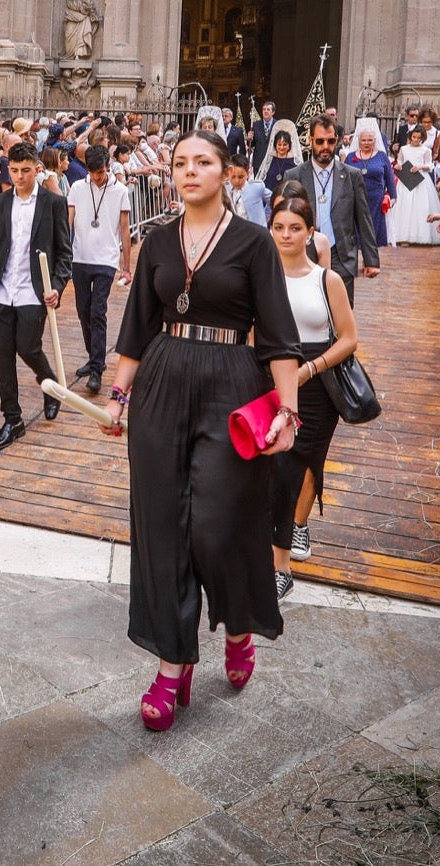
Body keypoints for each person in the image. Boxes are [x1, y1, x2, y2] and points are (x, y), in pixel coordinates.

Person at [102, 129, 302, 732]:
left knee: (217, 525)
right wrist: (118, 394)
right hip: (162, 382)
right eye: (181, 163)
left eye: (203, 162)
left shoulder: (254, 243)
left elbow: (279, 337)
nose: (190, 172)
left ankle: (237, 627)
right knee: (162, 526)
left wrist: (288, 412)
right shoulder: (157, 239)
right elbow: (138, 323)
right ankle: (172, 664)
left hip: (231, 384)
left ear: (228, 172)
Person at [267, 196, 356, 600]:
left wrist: (309, 369)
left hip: (317, 380)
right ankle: (278, 558)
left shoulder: (327, 280)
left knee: (305, 463)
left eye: (295, 228)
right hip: (269, 373)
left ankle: (295, 529)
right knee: (277, 469)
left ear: (310, 233)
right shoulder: (261, 277)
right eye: (279, 227)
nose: (286, 235)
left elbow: (350, 338)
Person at [0, 143, 72, 451]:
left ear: (37, 169)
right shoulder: (0, 202)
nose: (19, 177)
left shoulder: (54, 203)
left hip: (35, 288)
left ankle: (50, 385)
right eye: (14, 171)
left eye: (25, 171)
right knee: (3, 356)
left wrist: (57, 285)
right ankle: (12, 419)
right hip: (2, 290)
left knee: (28, 347)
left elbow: (64, 252)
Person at [290, 114, 378, 302]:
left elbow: (363, 218)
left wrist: (371, 260)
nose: (325, 147)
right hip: (305, 255)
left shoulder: (352, 176)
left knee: (341, 318)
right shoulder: (295, 176)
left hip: (341, 255)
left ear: (336, 140)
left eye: (330, 141)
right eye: (320, 141)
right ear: (310, 140)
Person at [66, 146, 132, 394]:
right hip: (80, 256)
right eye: (93, 172)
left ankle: (97, 368)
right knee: (83, 311)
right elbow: (68, 221)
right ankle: (93, 357)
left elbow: (124, 228)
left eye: (101, 172)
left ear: (108, 166)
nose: (97, 177)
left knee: (97, 311)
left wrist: (126, 265)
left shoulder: (120, 190)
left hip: (106, 258)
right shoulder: (77, 187)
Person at [346, 117, 397, 250]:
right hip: (356, 198)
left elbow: (389, 177)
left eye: (370, 140)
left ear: (375, 140)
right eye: (363, 140)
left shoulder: (381, 156)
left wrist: (392, 196)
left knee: (373, 231)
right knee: (357, 229)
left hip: (376, 200)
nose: (367, 143)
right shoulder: (350, 157)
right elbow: (344, 178)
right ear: (359, 141)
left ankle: (372, 260)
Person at [388, 125, 440, 245]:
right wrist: (398, 166)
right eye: (414, 137)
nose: (416, 140)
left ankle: (420, 235)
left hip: (421, 180)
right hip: (406, 179)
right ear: (410, 137)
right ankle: (402, 236)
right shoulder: (404, 149)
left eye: (419, 138)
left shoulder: (425, 150)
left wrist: (420, 167)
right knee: (405, 206)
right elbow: (400, 161)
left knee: (420, 207)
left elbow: (430, 165)